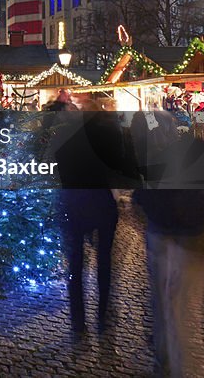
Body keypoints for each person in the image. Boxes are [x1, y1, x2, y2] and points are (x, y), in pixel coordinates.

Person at [133, 115, 204, 377]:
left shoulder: (153, 155)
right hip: (185, 234)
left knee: (167, 305)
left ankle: (171, 365)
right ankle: (175, 365)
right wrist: (199, 208)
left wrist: (156, 208)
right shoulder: (197, 151)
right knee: (182, 307)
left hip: (168, 233)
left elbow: (139, 195)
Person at [52, 99, 140, 337]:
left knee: (76, 264)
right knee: (104, 262)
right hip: (101, 202)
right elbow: (124, 169)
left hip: (72, 201)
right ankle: (103, 317)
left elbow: (54, 168)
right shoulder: (109, 135)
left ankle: (78, 323)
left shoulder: (64, 136)